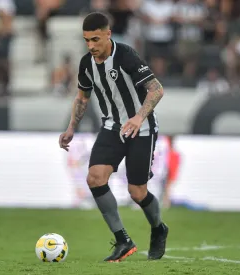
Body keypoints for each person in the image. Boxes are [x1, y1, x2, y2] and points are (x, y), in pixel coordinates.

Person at [58, 12, 168, 262]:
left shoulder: (126, 55)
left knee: (137, 193)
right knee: (95, 178)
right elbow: (82, 98)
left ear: (108, 34)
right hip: (111, 128)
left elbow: (156, 89)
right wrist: (71, 127)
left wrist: (139, 117)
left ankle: (158, 228)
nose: (91, 46)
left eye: (95, 39)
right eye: (86, 40)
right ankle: (123, 240)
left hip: (142, 129)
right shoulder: (86, 64)